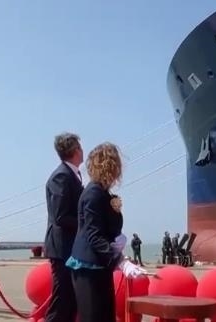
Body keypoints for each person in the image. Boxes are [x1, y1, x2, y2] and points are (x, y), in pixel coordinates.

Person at [68, 142, 146, 322]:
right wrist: (120, 261)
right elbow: (94, 235)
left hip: (99, 266)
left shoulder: (103, 193)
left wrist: (116, 238)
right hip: (88, 267)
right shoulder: (93, 194)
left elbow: (103, 229)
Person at [44, 132, 84, 322]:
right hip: (63, 249)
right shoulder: (61, 176)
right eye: (80, 147)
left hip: (71, 248)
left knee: (71, 304)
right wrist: (87, 223)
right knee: (62, 303)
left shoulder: (73, 175)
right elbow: (60, 216)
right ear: (75, 150)